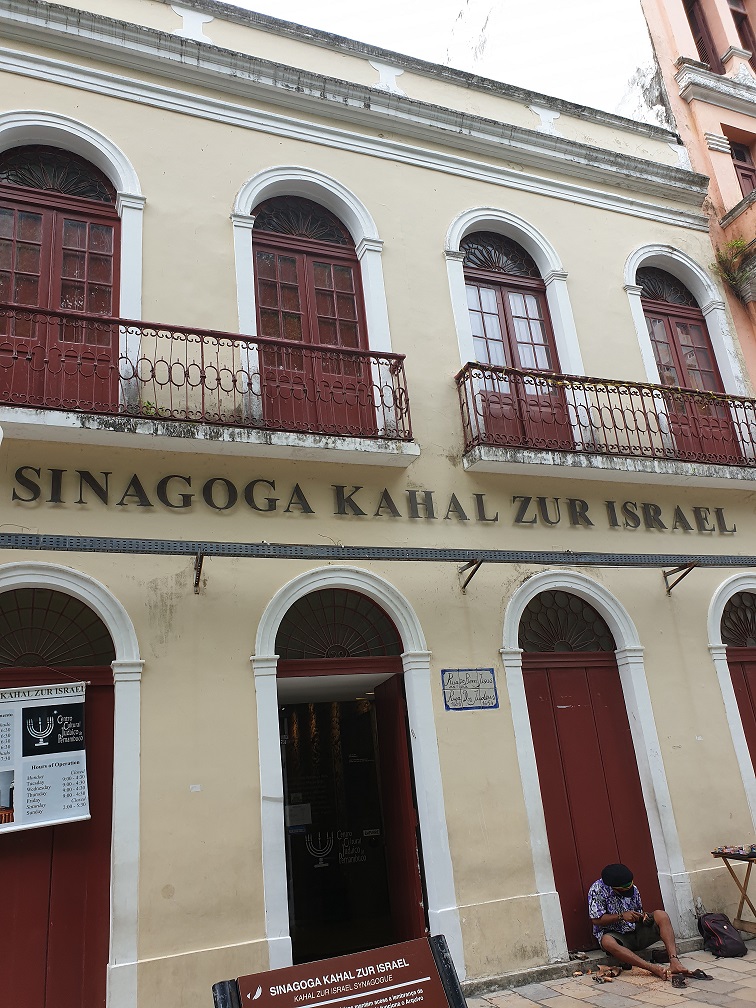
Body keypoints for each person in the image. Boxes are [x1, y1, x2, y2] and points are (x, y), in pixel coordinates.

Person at [587, 863, 687, 981]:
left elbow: (639, 911)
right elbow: (596, 920)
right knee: (607, 941)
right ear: (613, 888)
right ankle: (652, 968)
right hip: (618, 937)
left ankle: (674, 961)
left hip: (635, 931)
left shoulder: (633, 889)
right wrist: (621, 916)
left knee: (661, 915)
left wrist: (642, 917)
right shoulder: (597, 890)